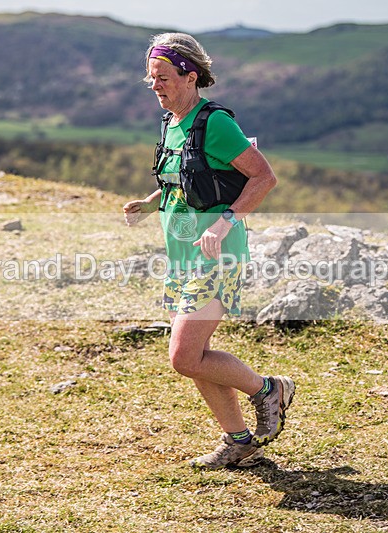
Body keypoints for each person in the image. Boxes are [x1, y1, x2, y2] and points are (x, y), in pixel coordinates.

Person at [123, 32, 295, 470]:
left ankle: (268, 389)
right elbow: (181, 180)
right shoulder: (171, 122)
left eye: (162, 77)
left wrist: (225, 221)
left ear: (190, 74)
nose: (155, 86)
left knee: (183, 356)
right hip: (183, 256)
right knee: (197, 357)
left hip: (218, 256)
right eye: (150, 79)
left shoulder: (214, 122)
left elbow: (263, 177)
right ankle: (239, 441)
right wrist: (150, 202)